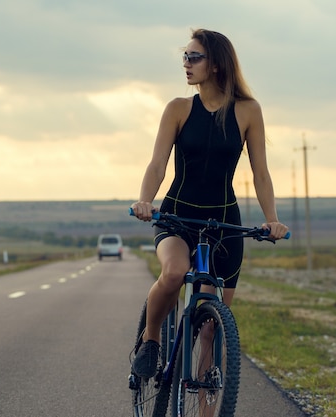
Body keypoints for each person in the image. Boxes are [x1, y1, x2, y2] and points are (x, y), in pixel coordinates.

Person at [131, 28, 289, 379]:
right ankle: (151, 339)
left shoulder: (248, 111)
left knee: (211, 328)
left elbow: (260, 172)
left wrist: (272, 219)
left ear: (216, 64)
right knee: (173, 273)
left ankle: (206, 406)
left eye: (194, 57)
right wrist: (145, 200)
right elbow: (157, 163)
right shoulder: (178, 109)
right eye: (184, 57)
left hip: (223, 223)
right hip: (177, 216)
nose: (186, 64)